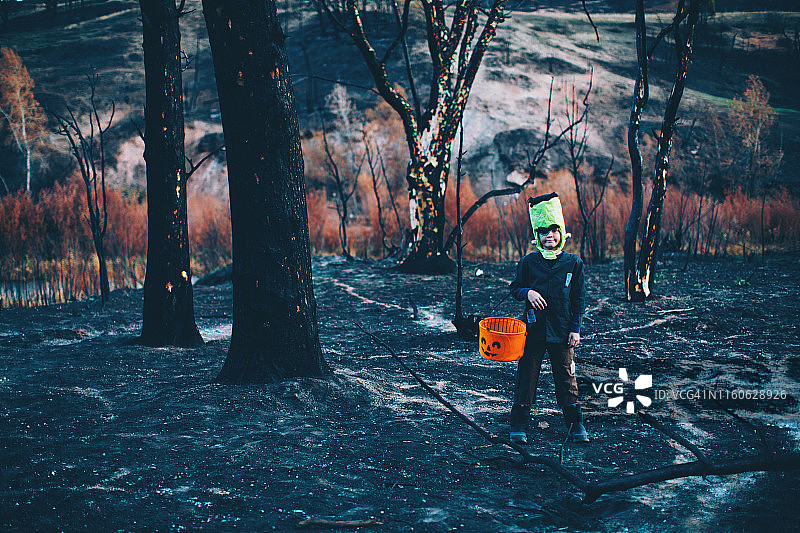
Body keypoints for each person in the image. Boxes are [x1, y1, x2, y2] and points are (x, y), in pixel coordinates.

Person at [508, 192, 588, 444]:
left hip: (563, 331)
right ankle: (519, 424)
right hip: (532, 330)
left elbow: (578, 299)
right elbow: (514, 288)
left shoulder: (573, 263)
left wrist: (575, 329)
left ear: (562, 232)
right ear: (537, 236)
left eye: (554, 230)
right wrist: (527, 292)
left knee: (566, 377)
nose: (549, 236)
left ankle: (576, 425)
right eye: (544, 232)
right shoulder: (529, 262)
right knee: (527, 376)